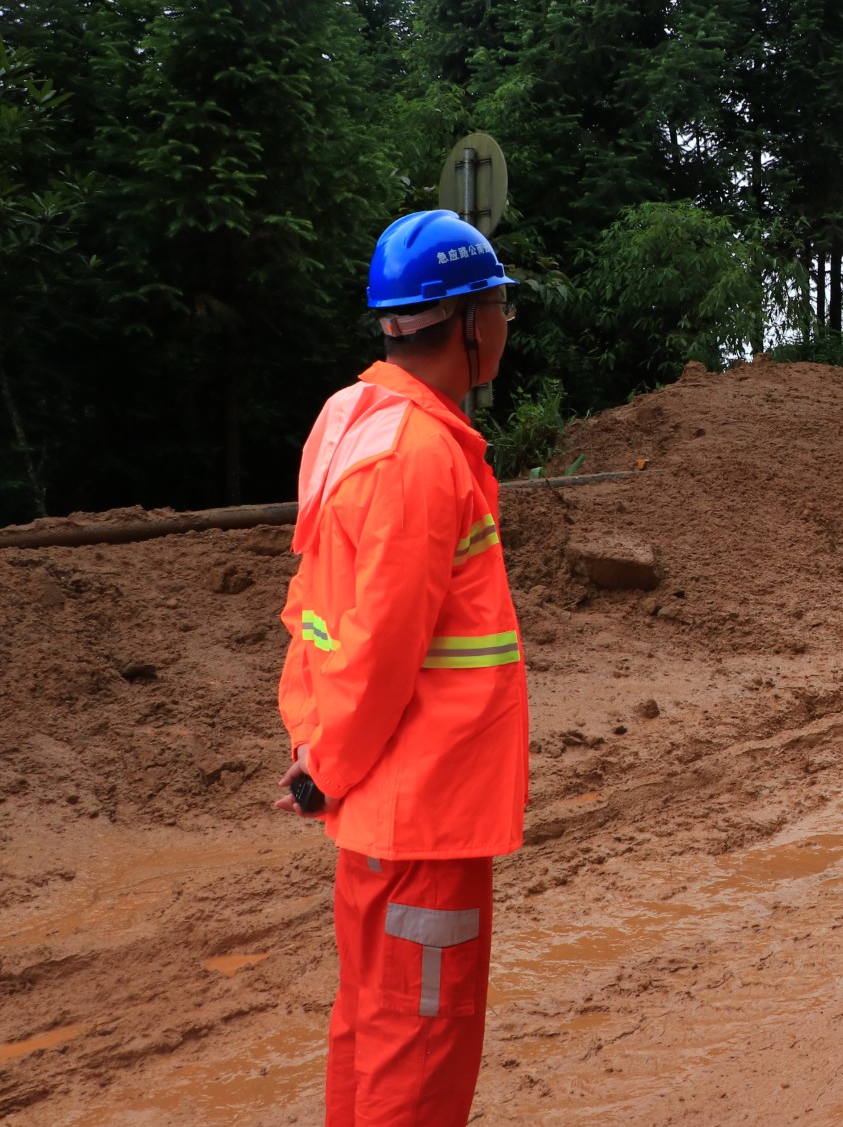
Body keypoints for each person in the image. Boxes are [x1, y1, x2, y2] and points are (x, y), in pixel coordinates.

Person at [273, 210, 531, 1124]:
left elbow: (318, 612)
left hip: (377, 807)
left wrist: (314, 753)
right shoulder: (420, 456)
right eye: (499, 305)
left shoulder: (352, 419)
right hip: (422, 816)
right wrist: (327, 767)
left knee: (373, 1031)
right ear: (464, 320)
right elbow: (380, 644)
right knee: (418, 1052)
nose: (505, 323)